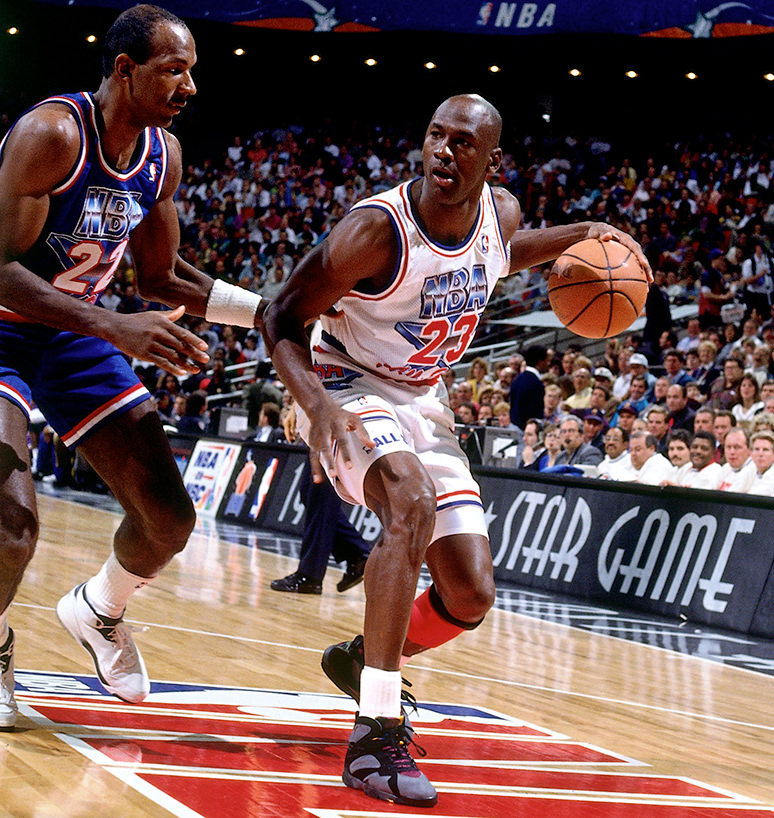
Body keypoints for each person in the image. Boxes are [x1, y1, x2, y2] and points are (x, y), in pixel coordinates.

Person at [262, 93, 649, 807]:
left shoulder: (498, 215)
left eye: (463, 143)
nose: (445, 150)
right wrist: (314, 405)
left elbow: (505, 254)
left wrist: (588, 233)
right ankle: (375, 736)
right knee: (407, 503)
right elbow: (278, 313)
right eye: (436, 136)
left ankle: (362, 658)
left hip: (422, 397)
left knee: (469, 594)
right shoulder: (376, 231)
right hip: (347, 384)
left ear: (490, 159)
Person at [0, 6, 266, 729]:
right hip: (4, 328)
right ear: (124, 69)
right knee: (12, 525)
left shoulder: (162, 157)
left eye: (192, 71)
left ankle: (98, 610)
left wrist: (268, 312)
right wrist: (112, 326)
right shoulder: (52, 135)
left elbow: (160, 278)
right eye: (173, 70)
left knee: (169, 519)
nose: (189, 87)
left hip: (72, 332)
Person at [509, 344, 548, 430]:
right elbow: (535, 412)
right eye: (546, 361)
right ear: (540, 362)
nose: (547, 364)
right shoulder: (535, 383)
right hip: (527, 430)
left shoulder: (517, 379)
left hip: (514, 427)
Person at [717, 427, 756, 493]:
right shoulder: (726, 468)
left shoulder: (753, 470)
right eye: (728, 447)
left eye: (737, 447)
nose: (732, 452)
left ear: (749, 449)